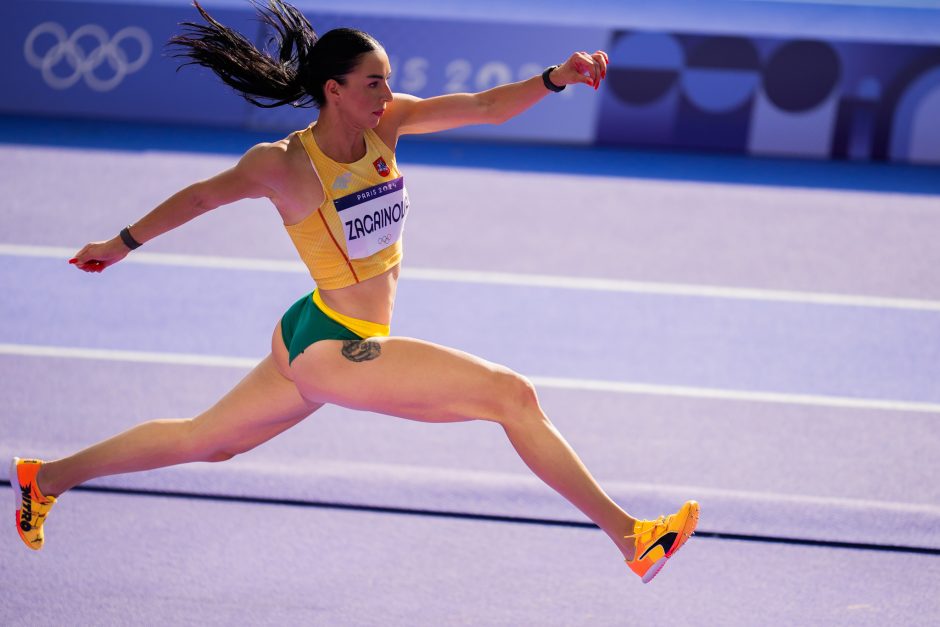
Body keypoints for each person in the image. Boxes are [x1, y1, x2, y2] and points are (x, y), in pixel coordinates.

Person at [11, 0, 697, 583]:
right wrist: (120, 243)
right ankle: (632, 538)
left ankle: (45, 477)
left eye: (388, 83)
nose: (386, 95)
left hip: (310, 328)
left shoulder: (388, 126)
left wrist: (555, 78)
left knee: (206, 440)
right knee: (511, 395)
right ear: (333, 89)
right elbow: (199, 198)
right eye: (373, 84)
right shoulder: (281, 165)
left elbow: (486, 106)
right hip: (333, 347)